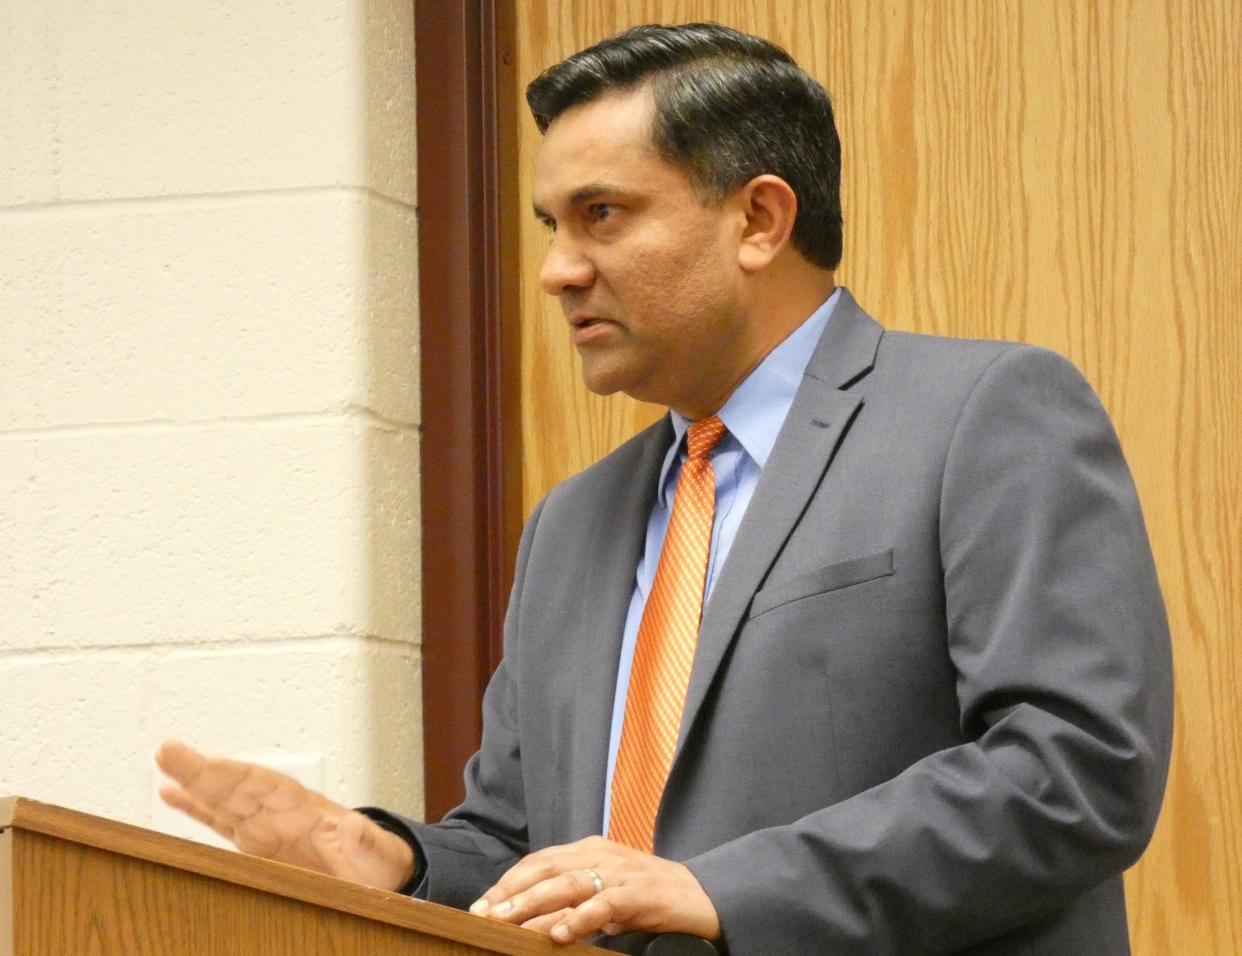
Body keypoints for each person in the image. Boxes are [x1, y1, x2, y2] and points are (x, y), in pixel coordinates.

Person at [157, 23, 1173, 954]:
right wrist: (402, 863)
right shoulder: (572, 520)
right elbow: (526, 840)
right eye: (554, 223)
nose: (558, 269)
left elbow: (1074, 768)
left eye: (603, 215)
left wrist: (722, 887)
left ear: (760, 220)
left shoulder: (982, 414)